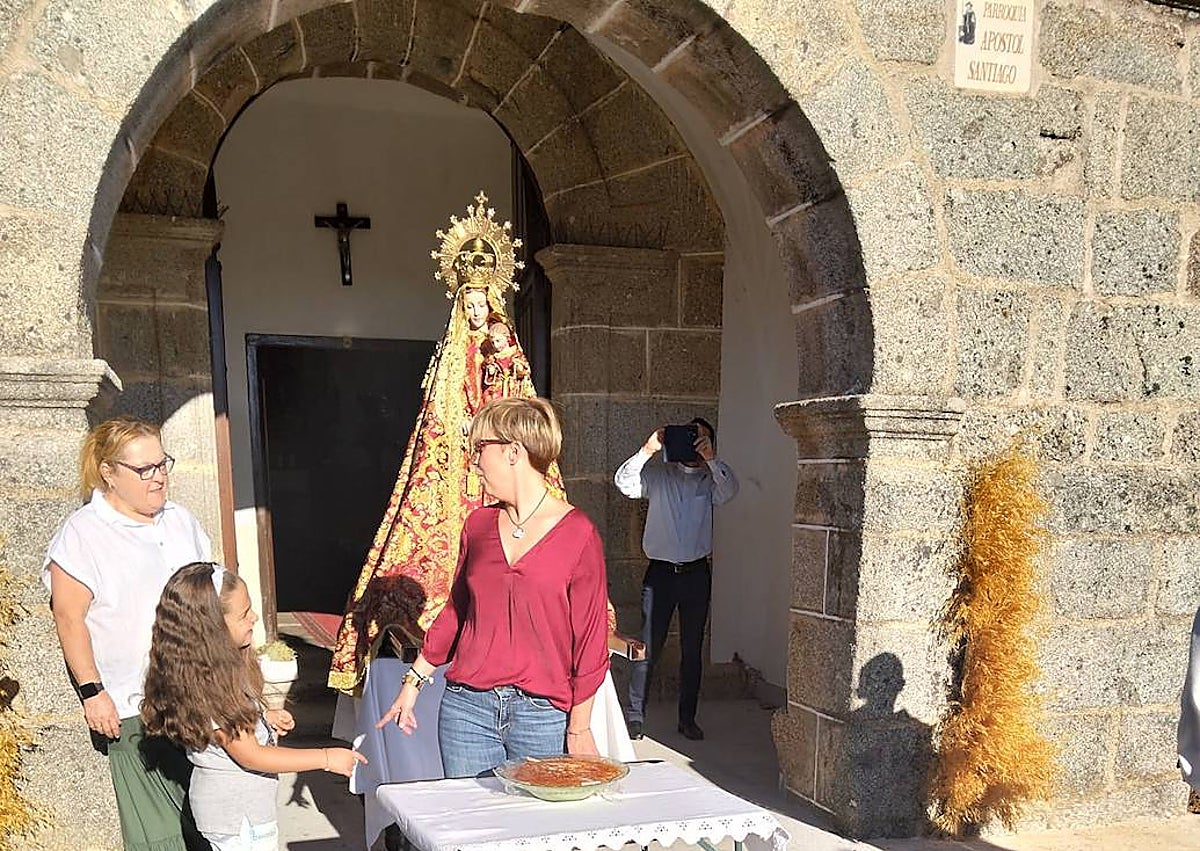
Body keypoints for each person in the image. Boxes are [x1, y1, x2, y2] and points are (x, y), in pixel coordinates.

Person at [378, 398, 610, 777]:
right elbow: (457, 611)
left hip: (542, 716)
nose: (474, 461)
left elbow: (590, 639)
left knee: (535, 832)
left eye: (480, 448)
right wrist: (414, 682)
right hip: (467, 711)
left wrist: (579, 726)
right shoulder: (478, 526)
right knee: (472, 828)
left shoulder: (578, 534)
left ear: (513, 452)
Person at [43, 417, 212, 851]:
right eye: (144, 469)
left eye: (162, 464)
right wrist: (92, 691)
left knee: (210, 822)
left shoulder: (181, 520)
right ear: (109, 473)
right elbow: (68, 617)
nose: (159, 477)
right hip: (135, 704)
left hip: (199, 697)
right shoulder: (83, 534)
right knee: (160, 835)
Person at [142, 563, 365, 850]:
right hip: (238, 820)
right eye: (244, 613)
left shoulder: (208, 673)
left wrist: (262, 717)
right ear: (213, 627)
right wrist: (325, 758)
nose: (254, 617)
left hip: (237, 814)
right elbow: (251, 756)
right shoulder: (214, 687)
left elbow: (223, 733)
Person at [615, 418, 739, 741]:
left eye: (702, 440)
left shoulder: (711, 480)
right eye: (689, 438)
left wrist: (711, 460)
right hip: (660, 574)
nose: (694, 445)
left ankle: (687, 718)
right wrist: (648, 449)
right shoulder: (659, 477)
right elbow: (625, 483)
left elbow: (729, 492)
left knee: (692, 649)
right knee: (647, 644)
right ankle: (635, 716)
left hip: (696, 573)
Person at [480, 313, 529, 404]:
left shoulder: (515, 353)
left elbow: (525, 369)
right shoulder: (492, 356)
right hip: (497, 390)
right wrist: (491, 371)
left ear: (507, 338)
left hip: (513, 388)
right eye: (493, 342)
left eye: (498, 341)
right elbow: (486, 368)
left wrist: (518, 368)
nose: (496, 345)